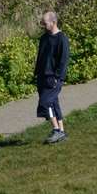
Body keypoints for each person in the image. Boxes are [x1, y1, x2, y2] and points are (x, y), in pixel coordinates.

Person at [34, 10, 69, 144]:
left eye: (45, 22)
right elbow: (41, 57)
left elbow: (63, 60)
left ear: (53, 22)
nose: (43, 25)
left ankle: (56, 130)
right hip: (42, 76)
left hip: (53, 77)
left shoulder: (62, 39)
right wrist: (37, 72)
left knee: (46, 103)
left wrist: (57, 77)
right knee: (53, 103)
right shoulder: (44, 38)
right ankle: (61, 131)